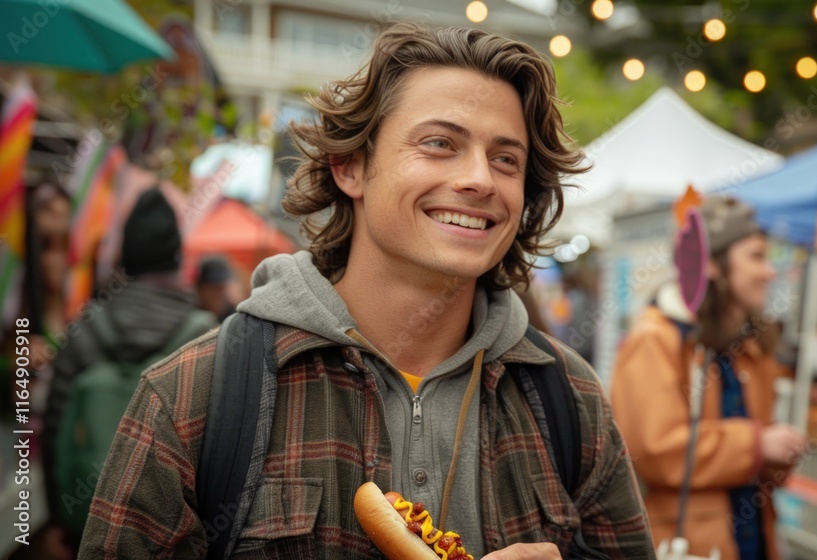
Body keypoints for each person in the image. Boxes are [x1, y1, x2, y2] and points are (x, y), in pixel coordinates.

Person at [79, 23, 654, 559]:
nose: (480, 178)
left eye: (506, 159)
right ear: (350, 167)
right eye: (439, 144)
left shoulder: (569, 397)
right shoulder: (196, 395)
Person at [611, 196, 807, 560]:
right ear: (713, 265)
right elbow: (657, 451)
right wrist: (758, 445)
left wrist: (781, 453)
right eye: (756, 256)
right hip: (687, 544)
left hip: (752, 538)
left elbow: (761, 461)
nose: (769, 271)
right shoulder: (656, 338)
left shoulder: (751, 345)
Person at [41, 187, 217, 554]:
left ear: (126, 257)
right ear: (176, 256)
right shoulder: (205, 335)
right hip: (177, 536)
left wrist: (59, 517)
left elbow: (54, 428)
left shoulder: (86, 330)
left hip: (87, 527)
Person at [195, 255, 236, 321]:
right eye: (213, 287)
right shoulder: (191, 317)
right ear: (200, 288)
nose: (219, 293)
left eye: (222, 287)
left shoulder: (235, 315)